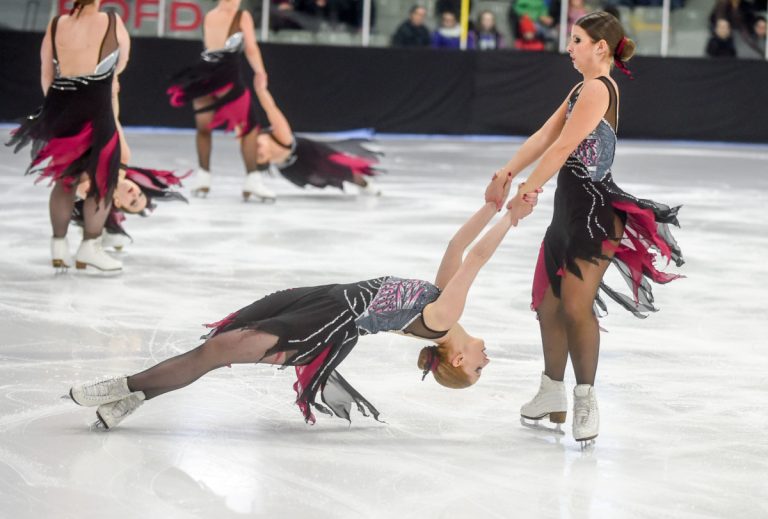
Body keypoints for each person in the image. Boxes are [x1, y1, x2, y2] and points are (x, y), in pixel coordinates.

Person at [68, 177, 541, 429]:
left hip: (328, 322)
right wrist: (492, 206)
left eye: (478, 370)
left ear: (456, 360)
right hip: (323, 297)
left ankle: (122, 387)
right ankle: (134, 397)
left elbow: (476, 258)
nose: (487, 361)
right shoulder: (441, 310)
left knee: (218, 350)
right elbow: (458, 249)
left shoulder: (444, 319)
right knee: (221, 340)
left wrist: (512, 218)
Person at [486, 11, 683, 445]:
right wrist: (507, 173)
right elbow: (545, 135)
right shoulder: (581, 88)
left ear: (601, 47)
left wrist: (527, 191)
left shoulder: (598, 88)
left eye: (576, 40)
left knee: (575, 306)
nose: (569, 48)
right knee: (548, 305)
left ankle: (585, 399)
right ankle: (551, 392)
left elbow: (563, 147)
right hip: (568, 210)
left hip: (595, 214)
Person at [6, 0, 130, 272]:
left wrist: (59, 108)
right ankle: (89, 247)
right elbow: (121, 62)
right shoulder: (111, 21)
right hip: (96, 107)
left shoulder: (56, 25)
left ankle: (59, 247)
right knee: (102, 179)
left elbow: (46, 74)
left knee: (65, 180)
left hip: (61, 107)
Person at [166, 0, 274, 201]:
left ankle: (203, 179)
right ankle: (253, 179)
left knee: (203, 129)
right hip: (227, 77)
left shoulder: (209, 16)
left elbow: (209, 48)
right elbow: (251, 48)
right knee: (249, 127)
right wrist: (261, 72)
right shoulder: (241, 16)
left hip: (203, 76)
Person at [252, 80, 382, 196]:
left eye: (256, 150)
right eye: (261, 156)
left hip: (307, 152)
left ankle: (365, 185)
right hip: (293, 170)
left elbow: (271, 109)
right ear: (268, 159)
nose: (257, 151)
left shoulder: (281, 136)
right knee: (323, 178)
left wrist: (261, 90)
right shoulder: (271, 155)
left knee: (340, 170)